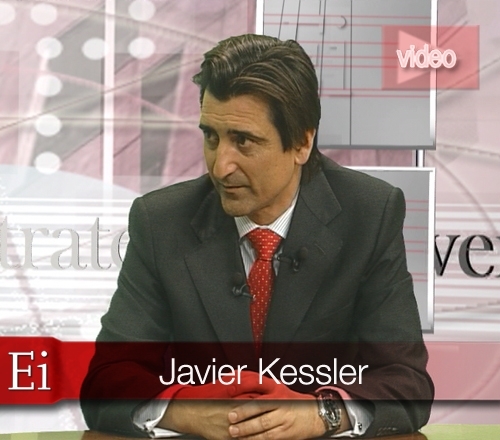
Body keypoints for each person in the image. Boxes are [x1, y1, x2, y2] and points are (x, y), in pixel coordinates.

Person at [81, 34, 433, 439]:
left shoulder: (368, 214)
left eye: (243, 141)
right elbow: (107, 380)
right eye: (211, 137)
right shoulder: (161, 221)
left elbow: (407, 382)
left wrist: (321, 414)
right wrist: (185, 411)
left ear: (302, 142)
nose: (221, 166)